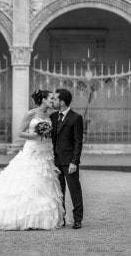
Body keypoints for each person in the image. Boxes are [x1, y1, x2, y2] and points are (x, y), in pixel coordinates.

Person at [0, 90, 64, 230]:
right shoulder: (31, 114)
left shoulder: (50, 116)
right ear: (43, 100)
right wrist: (37, 135)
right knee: (29, 181)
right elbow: (20, 133)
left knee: (44, 181)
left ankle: (40, 218)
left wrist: (47, 134)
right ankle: (22, 216)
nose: (53, 101)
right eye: (51, 98)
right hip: (32, 149)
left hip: (46, 151)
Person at [50, 88, 84, 229]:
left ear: (62, 102)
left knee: (74, 189)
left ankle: (78, 219)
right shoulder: (52, 117)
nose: (53, 102)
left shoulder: (76, 118)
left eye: (55, 99)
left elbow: (78, 142)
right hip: (55, 160)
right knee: (59, 190)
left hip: (69, 161)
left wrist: (74, 162)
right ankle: (61, 217)